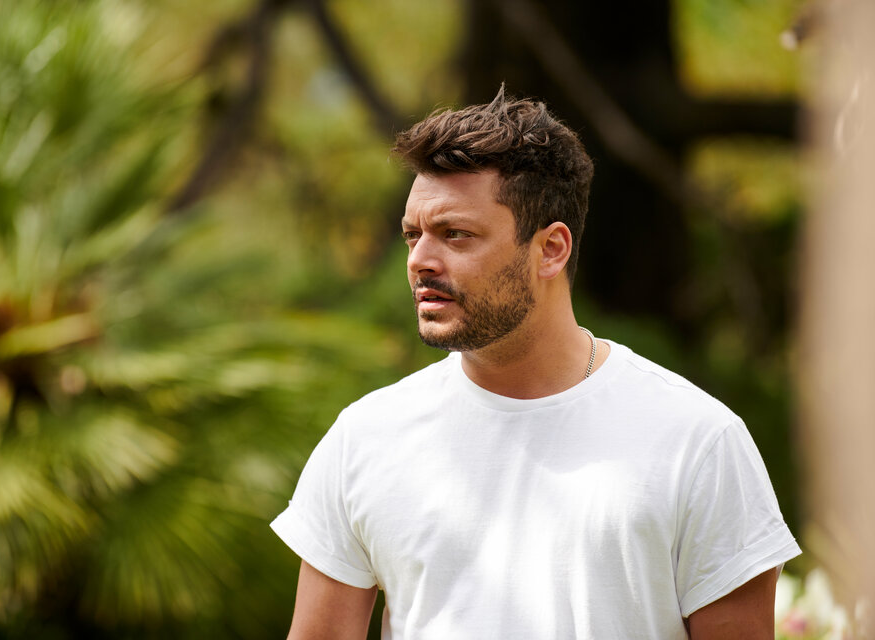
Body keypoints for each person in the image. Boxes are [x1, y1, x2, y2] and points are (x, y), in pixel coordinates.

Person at [270, 87, 800, 639]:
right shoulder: (365, 438)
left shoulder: (697, 441)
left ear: (551, 249)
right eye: (412, 236)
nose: (420, 260)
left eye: (456, 234)